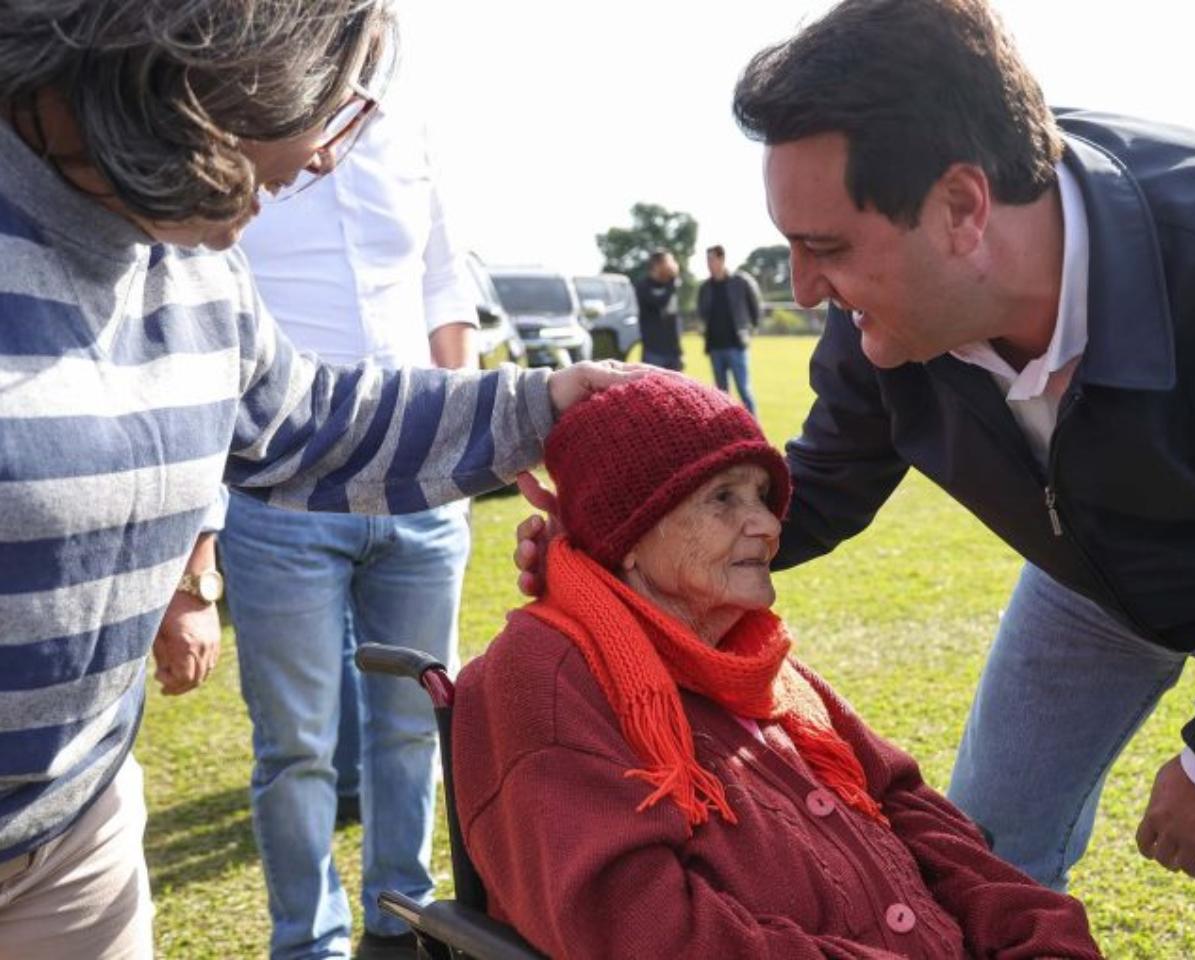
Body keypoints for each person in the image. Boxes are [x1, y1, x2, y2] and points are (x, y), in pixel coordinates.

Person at [512, 0, 1195, 953]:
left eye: (825, 247)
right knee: (977, 859)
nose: (802, 289)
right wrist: (629, 548)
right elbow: (821, 482)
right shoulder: (890, 308)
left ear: (962, 207)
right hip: (1090, 584)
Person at [0, 3, 636, 957]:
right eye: (335, 104)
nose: (329, 158)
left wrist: (537, 405)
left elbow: (308, 419)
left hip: (74, 826)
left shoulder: (193, 270)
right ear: (230, 58)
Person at [456, 374, 1103, 960]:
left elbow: (905, 805)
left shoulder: (744, 650)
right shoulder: (545, 676)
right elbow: (640, 934)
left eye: (763, 496)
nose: (767, 525)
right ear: (630, 530)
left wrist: (1036, 933)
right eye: (724, 499)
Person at [220, 85, 478, 958]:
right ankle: (308, 942)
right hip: (279, 493)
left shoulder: (410, 127)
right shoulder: (237, 121)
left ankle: (401, 921)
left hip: (419, 487)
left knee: (413, 723)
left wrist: (463, 451)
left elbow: (446, 287)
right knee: (295, 748)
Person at [697, 244, 762, 414]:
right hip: (714, 347)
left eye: (712, 259)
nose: (709, 264)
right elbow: (702, 312)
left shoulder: (741, 281)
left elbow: (755, 306)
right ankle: (728, 432)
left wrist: (752, 328)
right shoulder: (705, 287)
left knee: (744, 391)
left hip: (736, 346)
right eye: (707, 260)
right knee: (721, 394)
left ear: (722, 259)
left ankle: (757, 432)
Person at [634, 250, 684, 370]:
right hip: (653, 353)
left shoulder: (669, 286)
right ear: (657, 265)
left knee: (676, 388)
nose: (673, 266)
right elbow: (660, 303)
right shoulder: (643, 286)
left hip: (673, 352)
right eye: (669, 262)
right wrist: (672, 284)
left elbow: (673, 319)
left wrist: (680, 351)